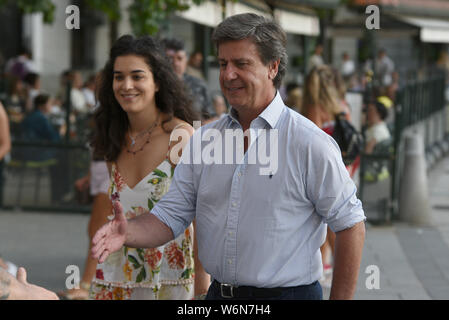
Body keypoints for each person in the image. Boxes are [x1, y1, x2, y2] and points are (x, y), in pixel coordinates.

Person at [92, 13, 366, 300]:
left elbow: (350, 225)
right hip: (219, 296)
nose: (228, 74)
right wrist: (129, 232)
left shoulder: (309, 143)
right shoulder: (205, 141)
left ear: (273, 67)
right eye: (223, 63)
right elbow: (171, 214)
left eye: (241, 64)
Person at [89, 35, 210, 300]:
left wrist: (202, 290)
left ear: (157, 82)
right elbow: (105, 213)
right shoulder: (113, 137)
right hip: (114, 278)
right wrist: (86, 277)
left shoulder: (182, 135)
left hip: (169, 278)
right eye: (118, 77)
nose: (126, 85)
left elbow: (202, 218)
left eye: (137, 76)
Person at [161, 38, 215, 120]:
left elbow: (211, 117)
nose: (175, 63)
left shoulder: (199, 85)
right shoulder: (156, 86)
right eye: (170, 58)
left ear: (186, 60)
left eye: (180, 58)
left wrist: (197, 129)